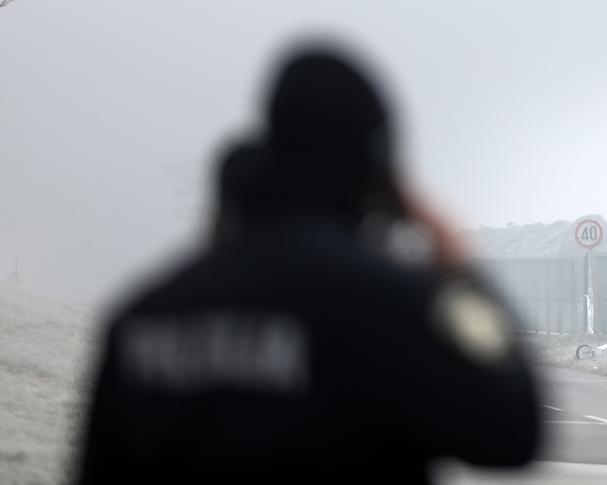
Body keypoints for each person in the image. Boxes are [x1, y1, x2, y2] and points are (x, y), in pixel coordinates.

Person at [74, 46, 541, 484]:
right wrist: (459, 269)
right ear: (377, 169)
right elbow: (512, 432)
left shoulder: (143, 316)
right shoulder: (391, 308)